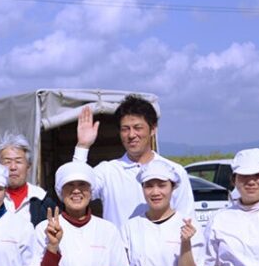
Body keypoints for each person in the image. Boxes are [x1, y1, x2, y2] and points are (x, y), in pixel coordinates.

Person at [73, 95, 194, 231]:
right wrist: (82, 146)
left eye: (138, 127)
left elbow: (187, 220)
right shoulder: (107, 171)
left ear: (153, 129)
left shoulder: (174, 171)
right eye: (125, 129)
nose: (131, 135)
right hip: (118, 245)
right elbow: (74, 191)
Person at [0, 132, 57, 225]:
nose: (13, 167)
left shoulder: (42, 200)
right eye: (7, 162)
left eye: (18, 161)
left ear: (28, 167)